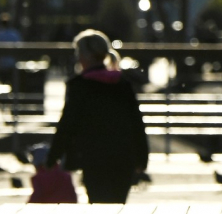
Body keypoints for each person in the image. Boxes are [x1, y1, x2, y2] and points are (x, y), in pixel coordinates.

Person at [46, 29, 149, 204]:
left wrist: (53, 156)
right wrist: (142, 156)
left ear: (85, 56)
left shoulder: (80, 86)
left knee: (98, 204)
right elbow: (136, 122)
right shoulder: (122, 83)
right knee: (117, 205)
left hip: (93, 158)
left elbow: (68, 124)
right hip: (123, 157)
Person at [0, 12, 22, 84]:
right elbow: (19, 45)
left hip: (2, 63)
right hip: (11, 62)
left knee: (3, 83)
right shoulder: (14, 34)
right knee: (11, 83)